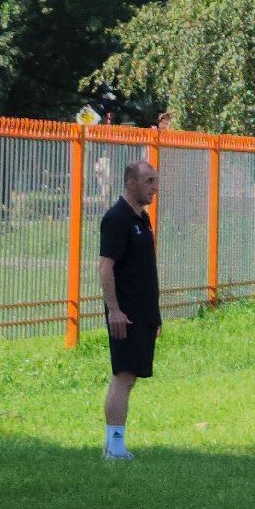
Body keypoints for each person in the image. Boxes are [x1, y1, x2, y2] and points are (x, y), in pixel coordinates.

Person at [96, 160, 160, 461]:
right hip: (125, 313)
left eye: (155, 181)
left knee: (130, 377)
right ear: (131, 183)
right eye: (149, 181)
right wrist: (114, 311)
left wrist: (154, 316)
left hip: (143, 313)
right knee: (123, 376)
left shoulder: (142, 219)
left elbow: (146, 269)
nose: (154, 188)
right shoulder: (117, 218)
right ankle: (115, 446)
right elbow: (105, 265)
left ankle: (115, 444)